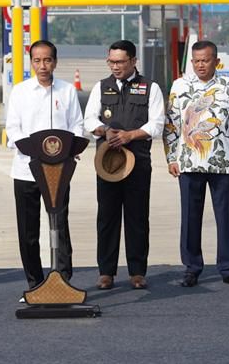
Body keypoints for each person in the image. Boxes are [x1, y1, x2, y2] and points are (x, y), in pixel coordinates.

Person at [165, 39, 229, 288]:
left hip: (222, 163)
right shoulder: (180, 86)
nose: (201, 65)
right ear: (191, 62)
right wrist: (171, 157)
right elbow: (171, 125)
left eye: (206, 60)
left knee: (225, 216)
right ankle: (192, 267)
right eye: (196, 61)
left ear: (216, 61)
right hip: (189, 163)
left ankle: (228, 267)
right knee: (190, 217)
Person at [83, 40, 165, 290]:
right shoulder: (101, 87)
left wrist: (130, 135)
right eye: (111, 61)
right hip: (108, 163)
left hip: (138, 162)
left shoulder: (150, 88)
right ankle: (106, 272)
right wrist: (104, 130)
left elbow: (157, 125)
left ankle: (137, 271)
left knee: (137, 217)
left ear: (133, 61)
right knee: (106, 216)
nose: (115, 66)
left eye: (120, 62)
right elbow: (88, 119)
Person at [5, 40, 86, 292]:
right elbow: (13, 129)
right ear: (31, 63)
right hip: (26, 170)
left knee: (59, 227)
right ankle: (35, 284)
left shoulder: (67, 91)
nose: (43, 65)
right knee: (28, 231)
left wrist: (71, 149)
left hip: (58, 172)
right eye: (37, 61)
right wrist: (33, 151)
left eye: (47, 60)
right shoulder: (19, 91)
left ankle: (62, 281)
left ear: (55, 62)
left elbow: (77, 125)